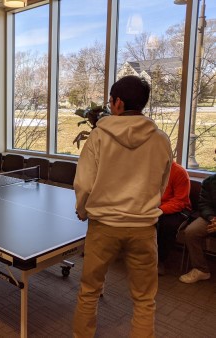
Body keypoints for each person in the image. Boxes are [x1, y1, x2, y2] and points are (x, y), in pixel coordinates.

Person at [73, 75, 172, 337]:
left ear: (118, 102)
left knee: (89, 291)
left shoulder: (98, 137)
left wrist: (82, 210)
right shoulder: (161, 140)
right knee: (144, 299)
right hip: (143, 228)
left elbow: (83, 183)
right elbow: (162, 185)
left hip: (104, 226)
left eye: (110, 100)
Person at [179, 173, 216, 283]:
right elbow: (204, 205)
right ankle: (201, 269)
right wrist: (212, 218)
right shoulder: (209, 181)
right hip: (212, 217)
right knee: (192, 231)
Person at [157, 162, 191, 275]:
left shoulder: (179, 172)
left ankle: (160, 260)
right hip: (155, 206)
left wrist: (159, 210)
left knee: (166, 225)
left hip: (179, 208)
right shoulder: (149, 170)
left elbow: (180, 201)